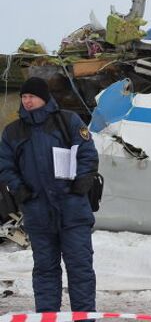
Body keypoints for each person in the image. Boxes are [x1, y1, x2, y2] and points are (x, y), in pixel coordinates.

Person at [0, 77, 98, 314]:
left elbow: (87, 154)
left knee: (80, 268)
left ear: (44, 97)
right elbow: (5, 165)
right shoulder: (12, 131)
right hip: (38, 212)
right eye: (24, 97)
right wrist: (20, 190)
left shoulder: (68, 121)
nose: (27, 101)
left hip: (72, 210)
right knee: (45, 269)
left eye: (31, 96)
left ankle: (83, 319)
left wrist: (80, 186)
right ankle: (47, 318)